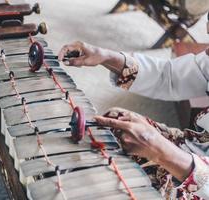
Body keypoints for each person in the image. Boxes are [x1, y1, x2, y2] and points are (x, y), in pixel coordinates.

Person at [58, 13, 209, 200]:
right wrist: (107, 56)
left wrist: (162, 150)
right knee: (114, 124)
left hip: (201, 181)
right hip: (197, 147)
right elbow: (170, 77)